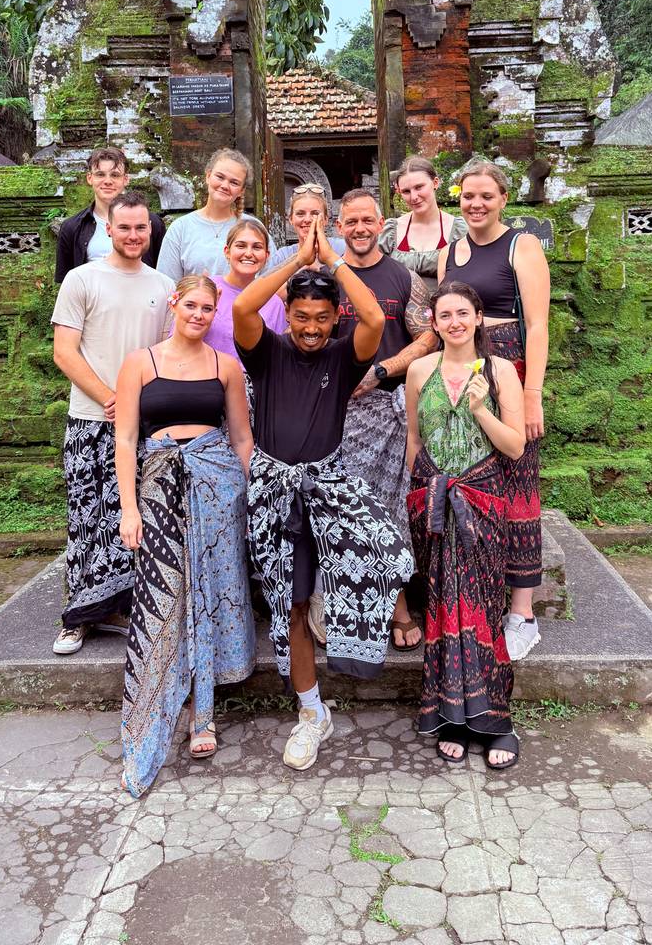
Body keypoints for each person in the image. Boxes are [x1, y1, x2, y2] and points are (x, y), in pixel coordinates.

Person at [233, 217, 413, 772]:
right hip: (275, 497)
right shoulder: (266, 353)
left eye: (321, 318)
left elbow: (378, 317)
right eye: (302, 317)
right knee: (291, 605)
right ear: (288, 314)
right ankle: (312, 713)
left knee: (388, 558)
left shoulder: (341, 355)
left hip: (329, 493)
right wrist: (294, 263)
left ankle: (355, 648)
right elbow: (241, 310)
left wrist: (331, 261)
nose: (311, 329)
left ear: (336, 318)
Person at [115, 274, 255, 797]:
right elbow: (126, 438)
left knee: (211, 593)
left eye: (206, 308)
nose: (197, 314)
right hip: (157, 487)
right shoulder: (139, 363)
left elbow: (241, 436)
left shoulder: (225, 366)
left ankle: (203, 713)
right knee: (163, 596)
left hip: (217, 486)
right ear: (174, 303)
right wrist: (130, 508)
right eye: (190, 305)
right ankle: (157, 695)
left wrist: (253, 493)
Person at [406, 281, 526, 769]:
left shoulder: (500, 372)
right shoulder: (419, 369)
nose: (454, 322)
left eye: (463, 313)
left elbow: (515, 445)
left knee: (480, 608)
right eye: (444, 315)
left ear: (478, 318)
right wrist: (416, 502)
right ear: (433, 323)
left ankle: (497, 721)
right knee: (440, 608)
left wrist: (480, 408)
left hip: (483, 502)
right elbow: (415, 441)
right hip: (436, 500)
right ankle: (452, 717)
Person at [51, 190, 175, 656]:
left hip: (142, 423)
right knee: (87, 515)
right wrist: (110, 396)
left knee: (131, 516)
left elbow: (165, 353)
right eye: (124, 227)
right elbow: (64, 352)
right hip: (91, 415)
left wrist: (139, 404)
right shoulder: (82, 280)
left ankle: (116, 605)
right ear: (109, 229)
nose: (133, 235)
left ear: (150, 230)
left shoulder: (163, 286)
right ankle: (77, 617)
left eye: (141, 227)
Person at [437, 158, 550, 661]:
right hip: (462, 366)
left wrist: (531, 393)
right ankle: (475, 591)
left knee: (519, 481)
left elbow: (540, 325)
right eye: (468, 196)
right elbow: (445, 319)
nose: (477, 204)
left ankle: (522, 609)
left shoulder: (520, 245)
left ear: (504, 198)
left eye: (486, 195)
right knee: (471, 478)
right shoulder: (451, 253)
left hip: (511, 364)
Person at [331, 187, 437, 651]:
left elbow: (429, 335)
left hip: (392, 410)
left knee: (391, 509)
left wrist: (381, 371)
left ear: (381, 224)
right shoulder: (326, 277)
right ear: (339, 228)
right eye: (350, 222)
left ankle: (396, 605)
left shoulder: (402, 278)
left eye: (366, 220)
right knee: (349, 510)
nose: (359, 229)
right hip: (337, 414)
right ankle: (349, 606)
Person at [157, 147, 276, 281]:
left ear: (242, 191)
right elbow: (167, 284)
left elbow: (270, 279)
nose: (225, 185)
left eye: (234, 182)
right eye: (220, 177)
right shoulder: (181, 228)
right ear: (208, 176)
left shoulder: (253, 227)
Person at [55, 146, 165, 283]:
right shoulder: (71, 227)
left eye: (115, 175)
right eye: (100, 174)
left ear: (126, 179)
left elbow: (162, 273)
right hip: (92, 302)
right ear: (90, 178)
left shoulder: (152, 223)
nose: (107, 181)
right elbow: (67, 283)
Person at [380, 156, 467, 290]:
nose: (414, 197)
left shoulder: (459, 230)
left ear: (435, 183)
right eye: (406, 191)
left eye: (419, 187)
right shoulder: (391, 230)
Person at [206, 217, 286, 363]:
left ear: (267, 255)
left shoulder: (274, 302)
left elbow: (277, 356)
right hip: (209, 378)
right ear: (227, 251)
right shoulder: (208, 288)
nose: (249, 253)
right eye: (241, 246)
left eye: (257, 247)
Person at [269, 183, 345, 271]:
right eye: (300, 214)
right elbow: (266, 284)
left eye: (315, 213)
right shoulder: (282, 256)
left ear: (325, 219)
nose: (307, 219)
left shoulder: (342, 248)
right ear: (291, 219)